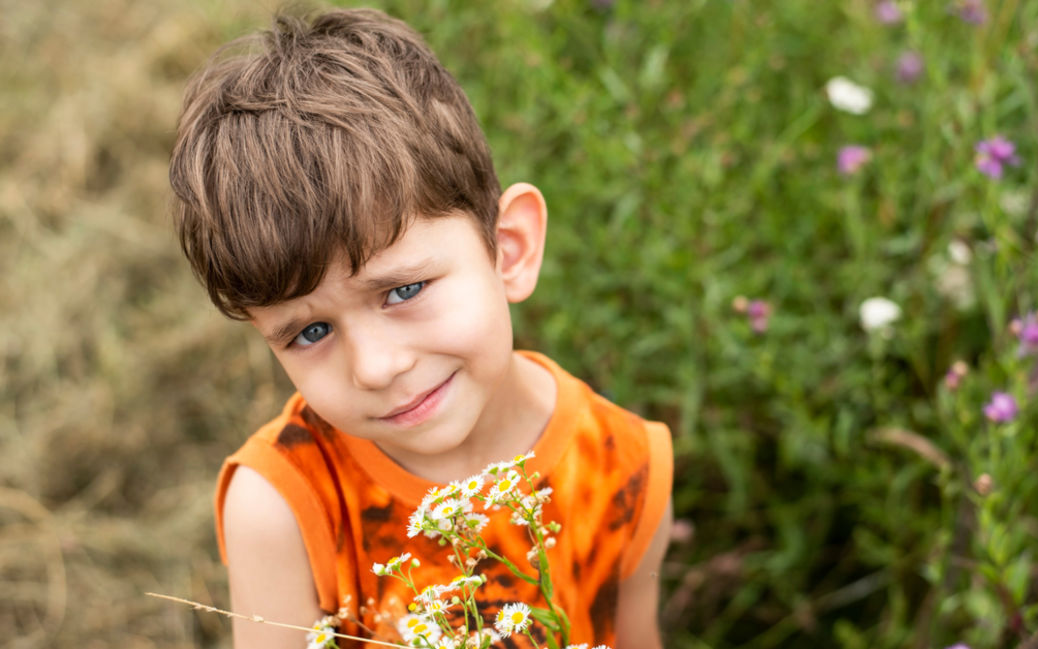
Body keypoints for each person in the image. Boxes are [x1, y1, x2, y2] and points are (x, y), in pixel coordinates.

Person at [167, 8, 673, 649]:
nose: (376, 368)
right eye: (310, 333)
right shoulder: (283, 505)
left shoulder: (624, 466)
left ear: (508, 250)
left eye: (403, 291)